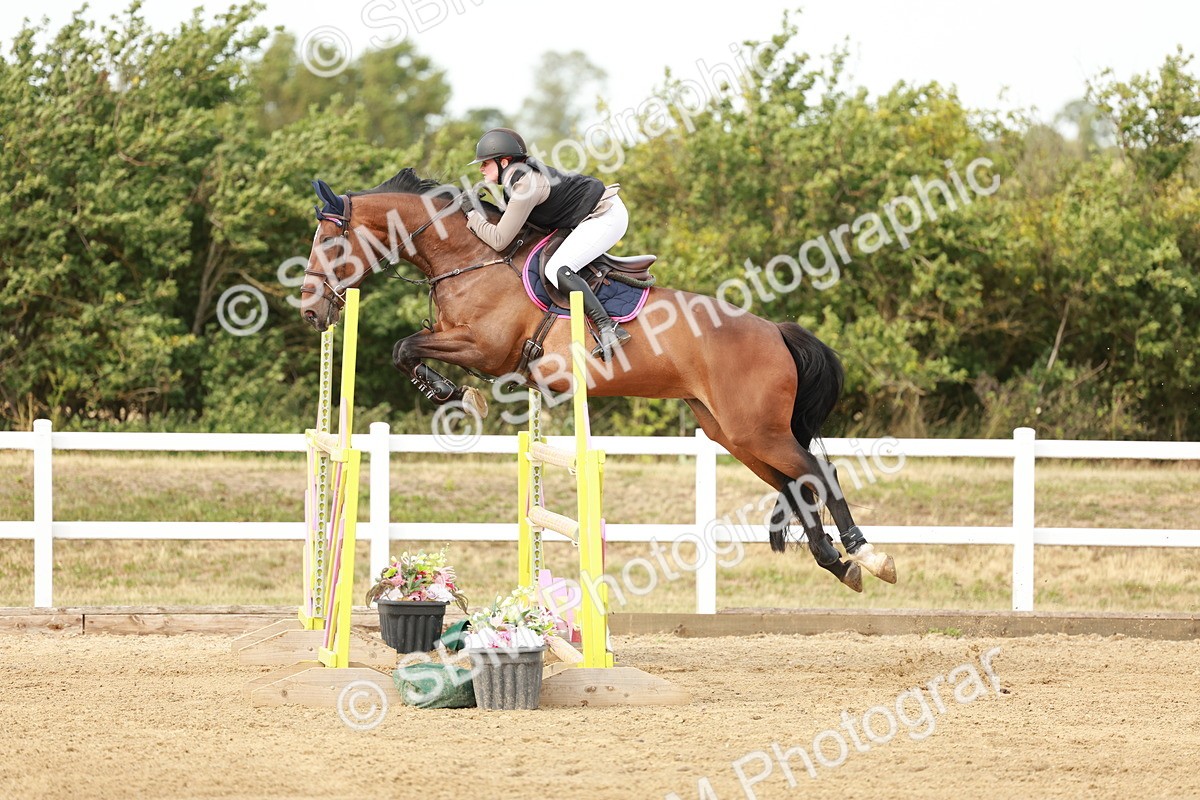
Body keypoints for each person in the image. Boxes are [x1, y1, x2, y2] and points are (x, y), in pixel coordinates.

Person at [462, 127, 631, 360]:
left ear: (504, 162)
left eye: (485, 163)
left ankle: (608, 327)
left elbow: (499, 240)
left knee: (557, 269)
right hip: (584, 218)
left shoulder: (526, 185)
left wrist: (471, 214)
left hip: (606, 215)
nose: (481, 168)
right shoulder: (518, 180)